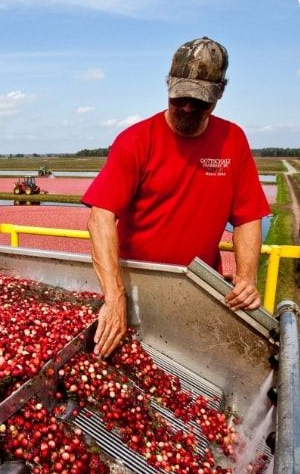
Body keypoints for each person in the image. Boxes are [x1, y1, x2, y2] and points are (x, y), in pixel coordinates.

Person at [81, 37, 271, 358]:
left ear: (219, 94)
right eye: (180, 97)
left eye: (199, 102)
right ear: (168, 85)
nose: (187, 107)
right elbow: (100, 216)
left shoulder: (232, 140)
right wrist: (114, 298)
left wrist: (246, 278)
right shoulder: (136, 141)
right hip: (138, 285)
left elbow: (248, 216)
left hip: (197, 287)